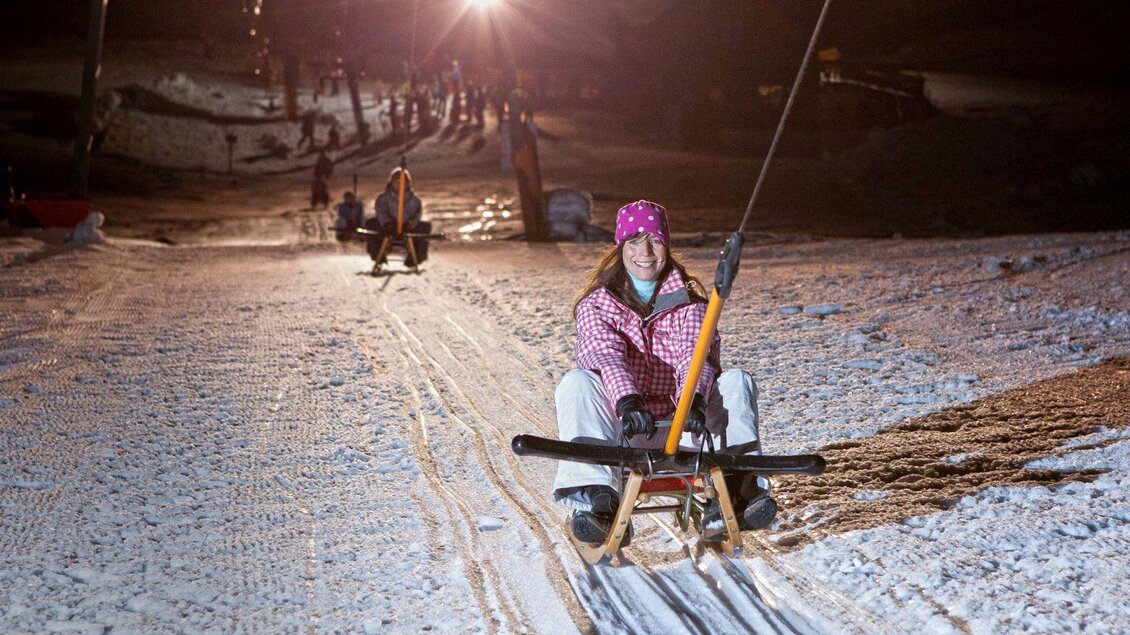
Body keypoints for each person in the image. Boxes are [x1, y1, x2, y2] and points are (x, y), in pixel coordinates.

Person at [552, 200, 776, 546]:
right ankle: (600, 504)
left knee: (736, 381)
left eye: (654, 241)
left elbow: (695, 358)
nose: (645, 251)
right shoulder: (597, 304)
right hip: (624, 430)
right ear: (620, 248)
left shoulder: (691, 304)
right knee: (577, 383)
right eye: (634, 241)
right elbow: (604, 355)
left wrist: (695, 402)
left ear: (667, 246)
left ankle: (738, 490)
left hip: (685, 424)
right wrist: (628, 401)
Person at [363, 167, 431, 266]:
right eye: (397, 182)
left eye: (403, 182)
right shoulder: (383, 198)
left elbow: (417, 214)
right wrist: (388, 223)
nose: (400, 185)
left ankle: (416, 256)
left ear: (408, 183)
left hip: (408, 227)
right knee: (371, 224)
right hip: (388, 227)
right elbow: (381, 212)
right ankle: (377, 254)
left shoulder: (415, 200)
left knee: (425, 227)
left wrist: (410, 224)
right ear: (391, 182)